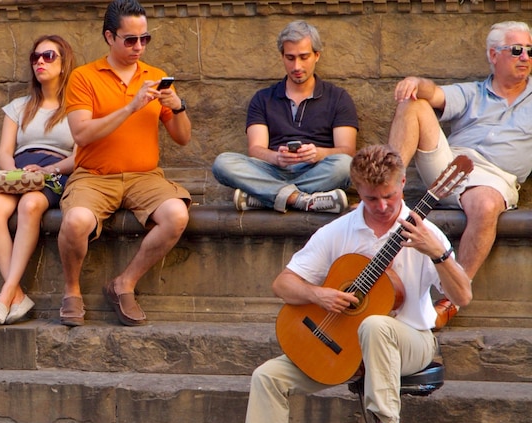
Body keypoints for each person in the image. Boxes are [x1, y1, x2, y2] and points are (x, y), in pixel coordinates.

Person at [239, 145, 472, 423]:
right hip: (342, 345)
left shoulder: (427, 234)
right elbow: (283, 284)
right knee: (267, 377)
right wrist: (318, 294)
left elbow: (463, 295)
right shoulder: (339, 231)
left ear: (403, 182)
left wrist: (438, 254)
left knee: (376, 324)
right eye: (370, 198)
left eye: (389, 196)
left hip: (410, 340)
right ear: (357, 190)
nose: (381, 207)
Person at [388, 21, 532, 328]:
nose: (525, 57)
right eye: (517, 50)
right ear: (494, 55)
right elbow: (435, 94)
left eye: (530, 51)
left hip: (494, 177)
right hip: (449, 167)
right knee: (413, 105)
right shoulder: (473, 93)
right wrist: (415, 82)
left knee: (486, 205)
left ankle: (451, 297)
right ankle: (387, 190)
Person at [58, 0, 192, 327]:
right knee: (75, 221)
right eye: (130, 39)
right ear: (109, 37)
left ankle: (124, 283)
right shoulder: (83, 77)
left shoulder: (156, 76)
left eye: (145, 39)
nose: (138, 47)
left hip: (144, 177)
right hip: (93, 176)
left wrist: (177, 106)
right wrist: (130, 107)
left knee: (176, 215)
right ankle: (72, 290)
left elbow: (183, 138)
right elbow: (82, 134)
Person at [212, 20, 358, 214]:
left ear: (317, 55)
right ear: (282, 56)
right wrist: (276, 158)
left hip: (317, 170)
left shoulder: (338, 97)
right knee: (223, 163)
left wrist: (318, 153)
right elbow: (255, 149)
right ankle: (300, 200)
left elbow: (348, 151)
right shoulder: (263, 98)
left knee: (345, 166)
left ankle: (265, 197)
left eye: (303, 57)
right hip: (272, 169)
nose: (296, 66)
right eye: (290, 58)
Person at [0, 35, 77, 325]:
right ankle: (18, 294)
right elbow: (4, 152)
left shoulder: (77, 106)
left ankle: (7, 291)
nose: (40, 62)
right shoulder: (18, 107)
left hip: (55, 173)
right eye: (35, 57)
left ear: (64, 63)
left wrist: (48, 172)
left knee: (31, 205)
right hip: (18, 172)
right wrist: (15, 174)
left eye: (48, 56)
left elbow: (81, 156)